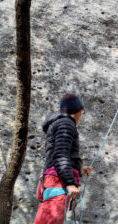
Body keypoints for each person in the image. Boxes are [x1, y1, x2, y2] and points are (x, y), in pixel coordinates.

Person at [34, 94, 93, 224]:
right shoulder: (66, 124)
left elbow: (59, 152)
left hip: (52, 180)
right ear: (77, 111)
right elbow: (60, 154)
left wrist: (78, 169)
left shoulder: (60, 124)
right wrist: (69, 183)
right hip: (57, 182)